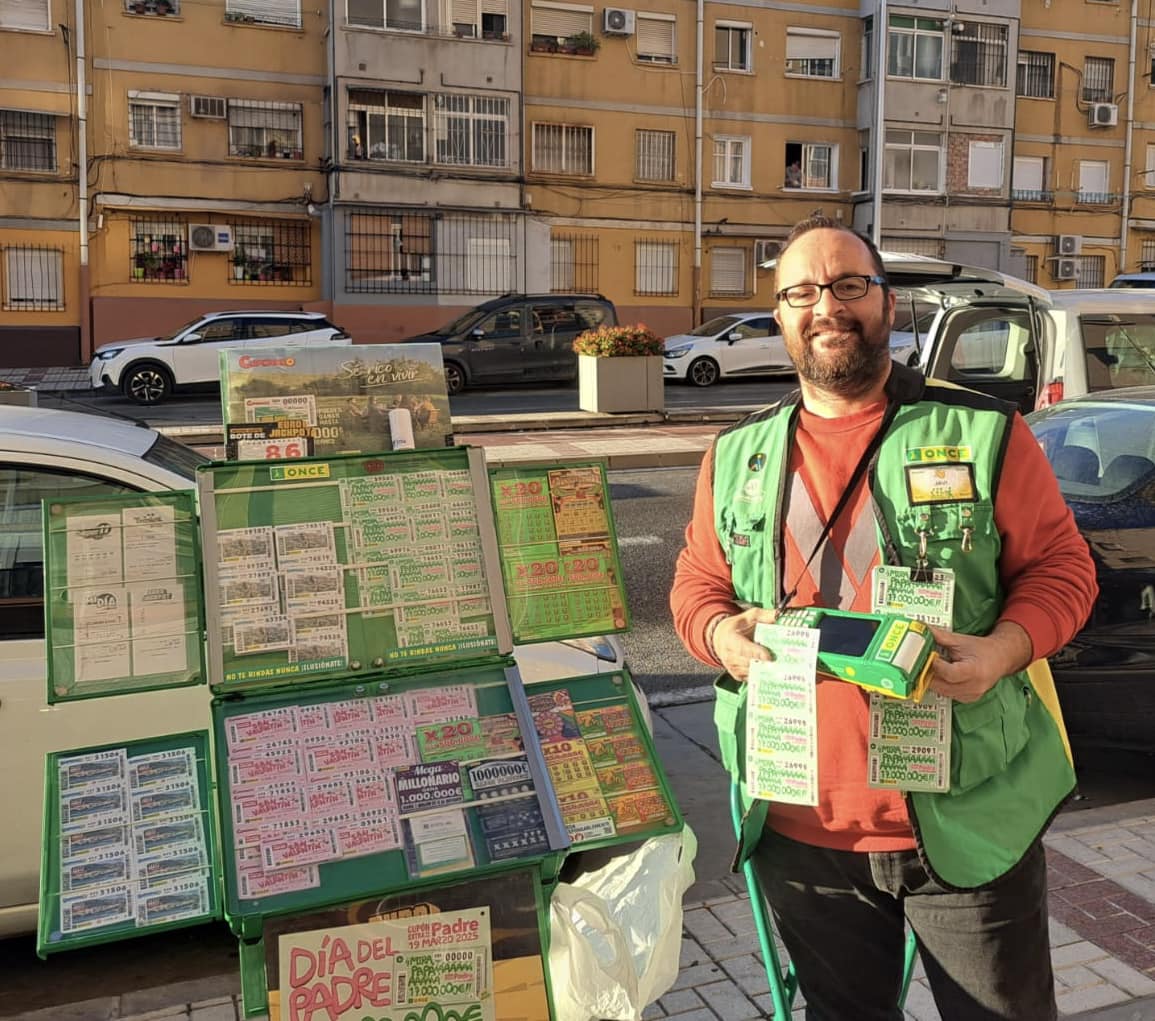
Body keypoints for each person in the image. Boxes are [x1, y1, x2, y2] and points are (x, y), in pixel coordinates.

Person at [670, 215, 1097, 1020]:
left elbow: (1062, 569)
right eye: (801, 292)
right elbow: (697, 582)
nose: (825, 306)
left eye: (847, 285)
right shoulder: (735, 454)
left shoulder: (982, 430)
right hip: (799, 823)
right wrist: (719, 634)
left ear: (887, 305)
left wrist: (1002, 651)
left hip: (964, 814)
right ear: (778, 315)